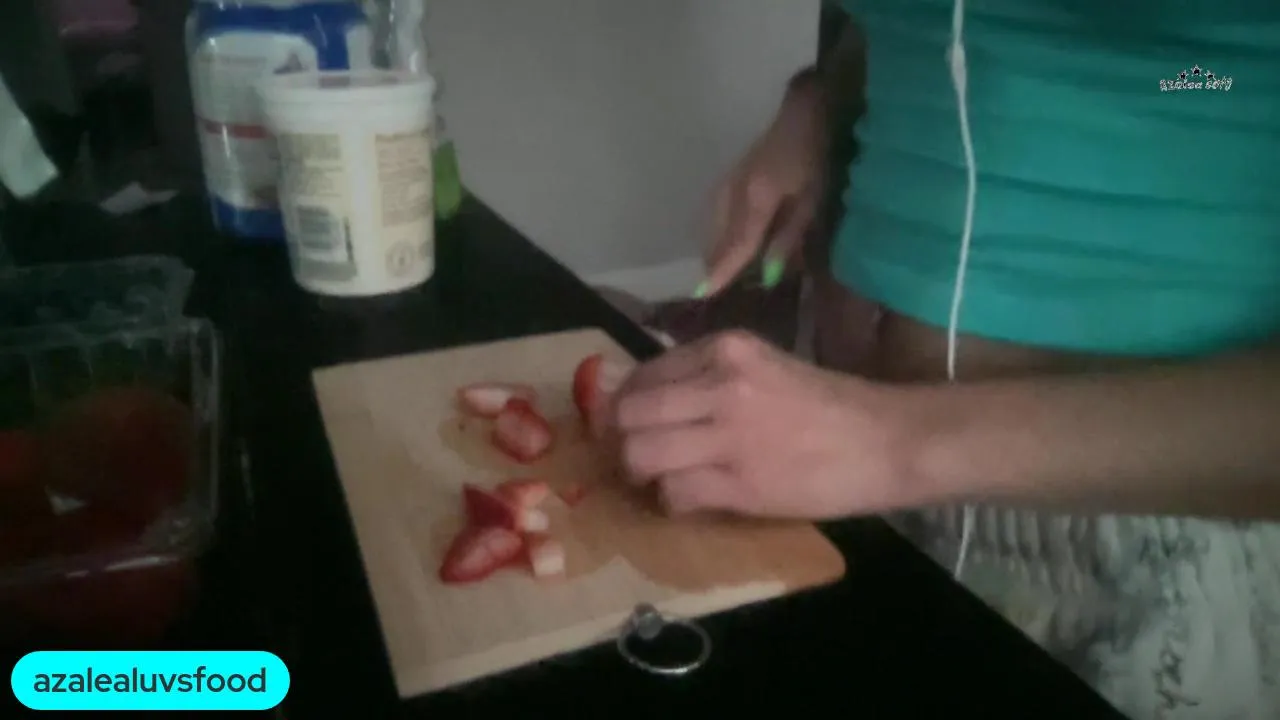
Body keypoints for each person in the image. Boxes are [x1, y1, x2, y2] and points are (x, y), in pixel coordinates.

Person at [603, 1, 1280, 718]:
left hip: (1126, 551)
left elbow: (1209, 76)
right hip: (824, 468)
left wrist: (889, 442)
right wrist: (820, 103)